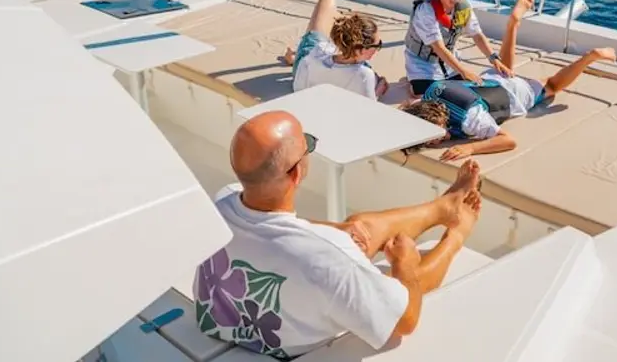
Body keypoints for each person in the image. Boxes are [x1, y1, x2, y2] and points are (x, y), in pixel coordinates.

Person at [192, 111, 483, 358]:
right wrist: (403, 264)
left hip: (222, 325)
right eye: (307, 143)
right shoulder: (328, 260)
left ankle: (443, 207)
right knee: (401, 271)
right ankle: (456, 230)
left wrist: (338, 230)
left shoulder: (222, 202)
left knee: (358, 226)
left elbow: (272, 227)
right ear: (296, 173)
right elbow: (405, 320)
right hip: (299, 349)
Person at [402, 0, 617, 161]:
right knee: (504, 70)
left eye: (438, 137)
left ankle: (591, 57)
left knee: (551, 86)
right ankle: (513, 22)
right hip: (487, 80)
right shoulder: (431, 93)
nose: (440, 140)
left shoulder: (471, 120)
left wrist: (470, 148)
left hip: (515, 93)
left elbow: (508, 140)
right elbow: (411, 104)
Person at [404, 0, 511, 97]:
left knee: (465, 92)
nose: (458, 0)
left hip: (448, 62)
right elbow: (439, 47)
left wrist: (494, 59)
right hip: (423, 64)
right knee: (429, 96)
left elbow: (477, 35)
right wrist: (464, 71)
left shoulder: (462, 6)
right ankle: (414, 82)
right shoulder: (425, 10)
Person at [283, 0, 389, 100]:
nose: (378, 49)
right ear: (361, 50)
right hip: (305, 64)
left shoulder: (317, 52)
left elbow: (299, 88)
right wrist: (378, 90)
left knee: (328, 0)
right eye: (378, 45)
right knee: (328, 1)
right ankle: (293, 57)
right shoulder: (364, 75)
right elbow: (368, 107)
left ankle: (294, 57)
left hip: (304, 66)